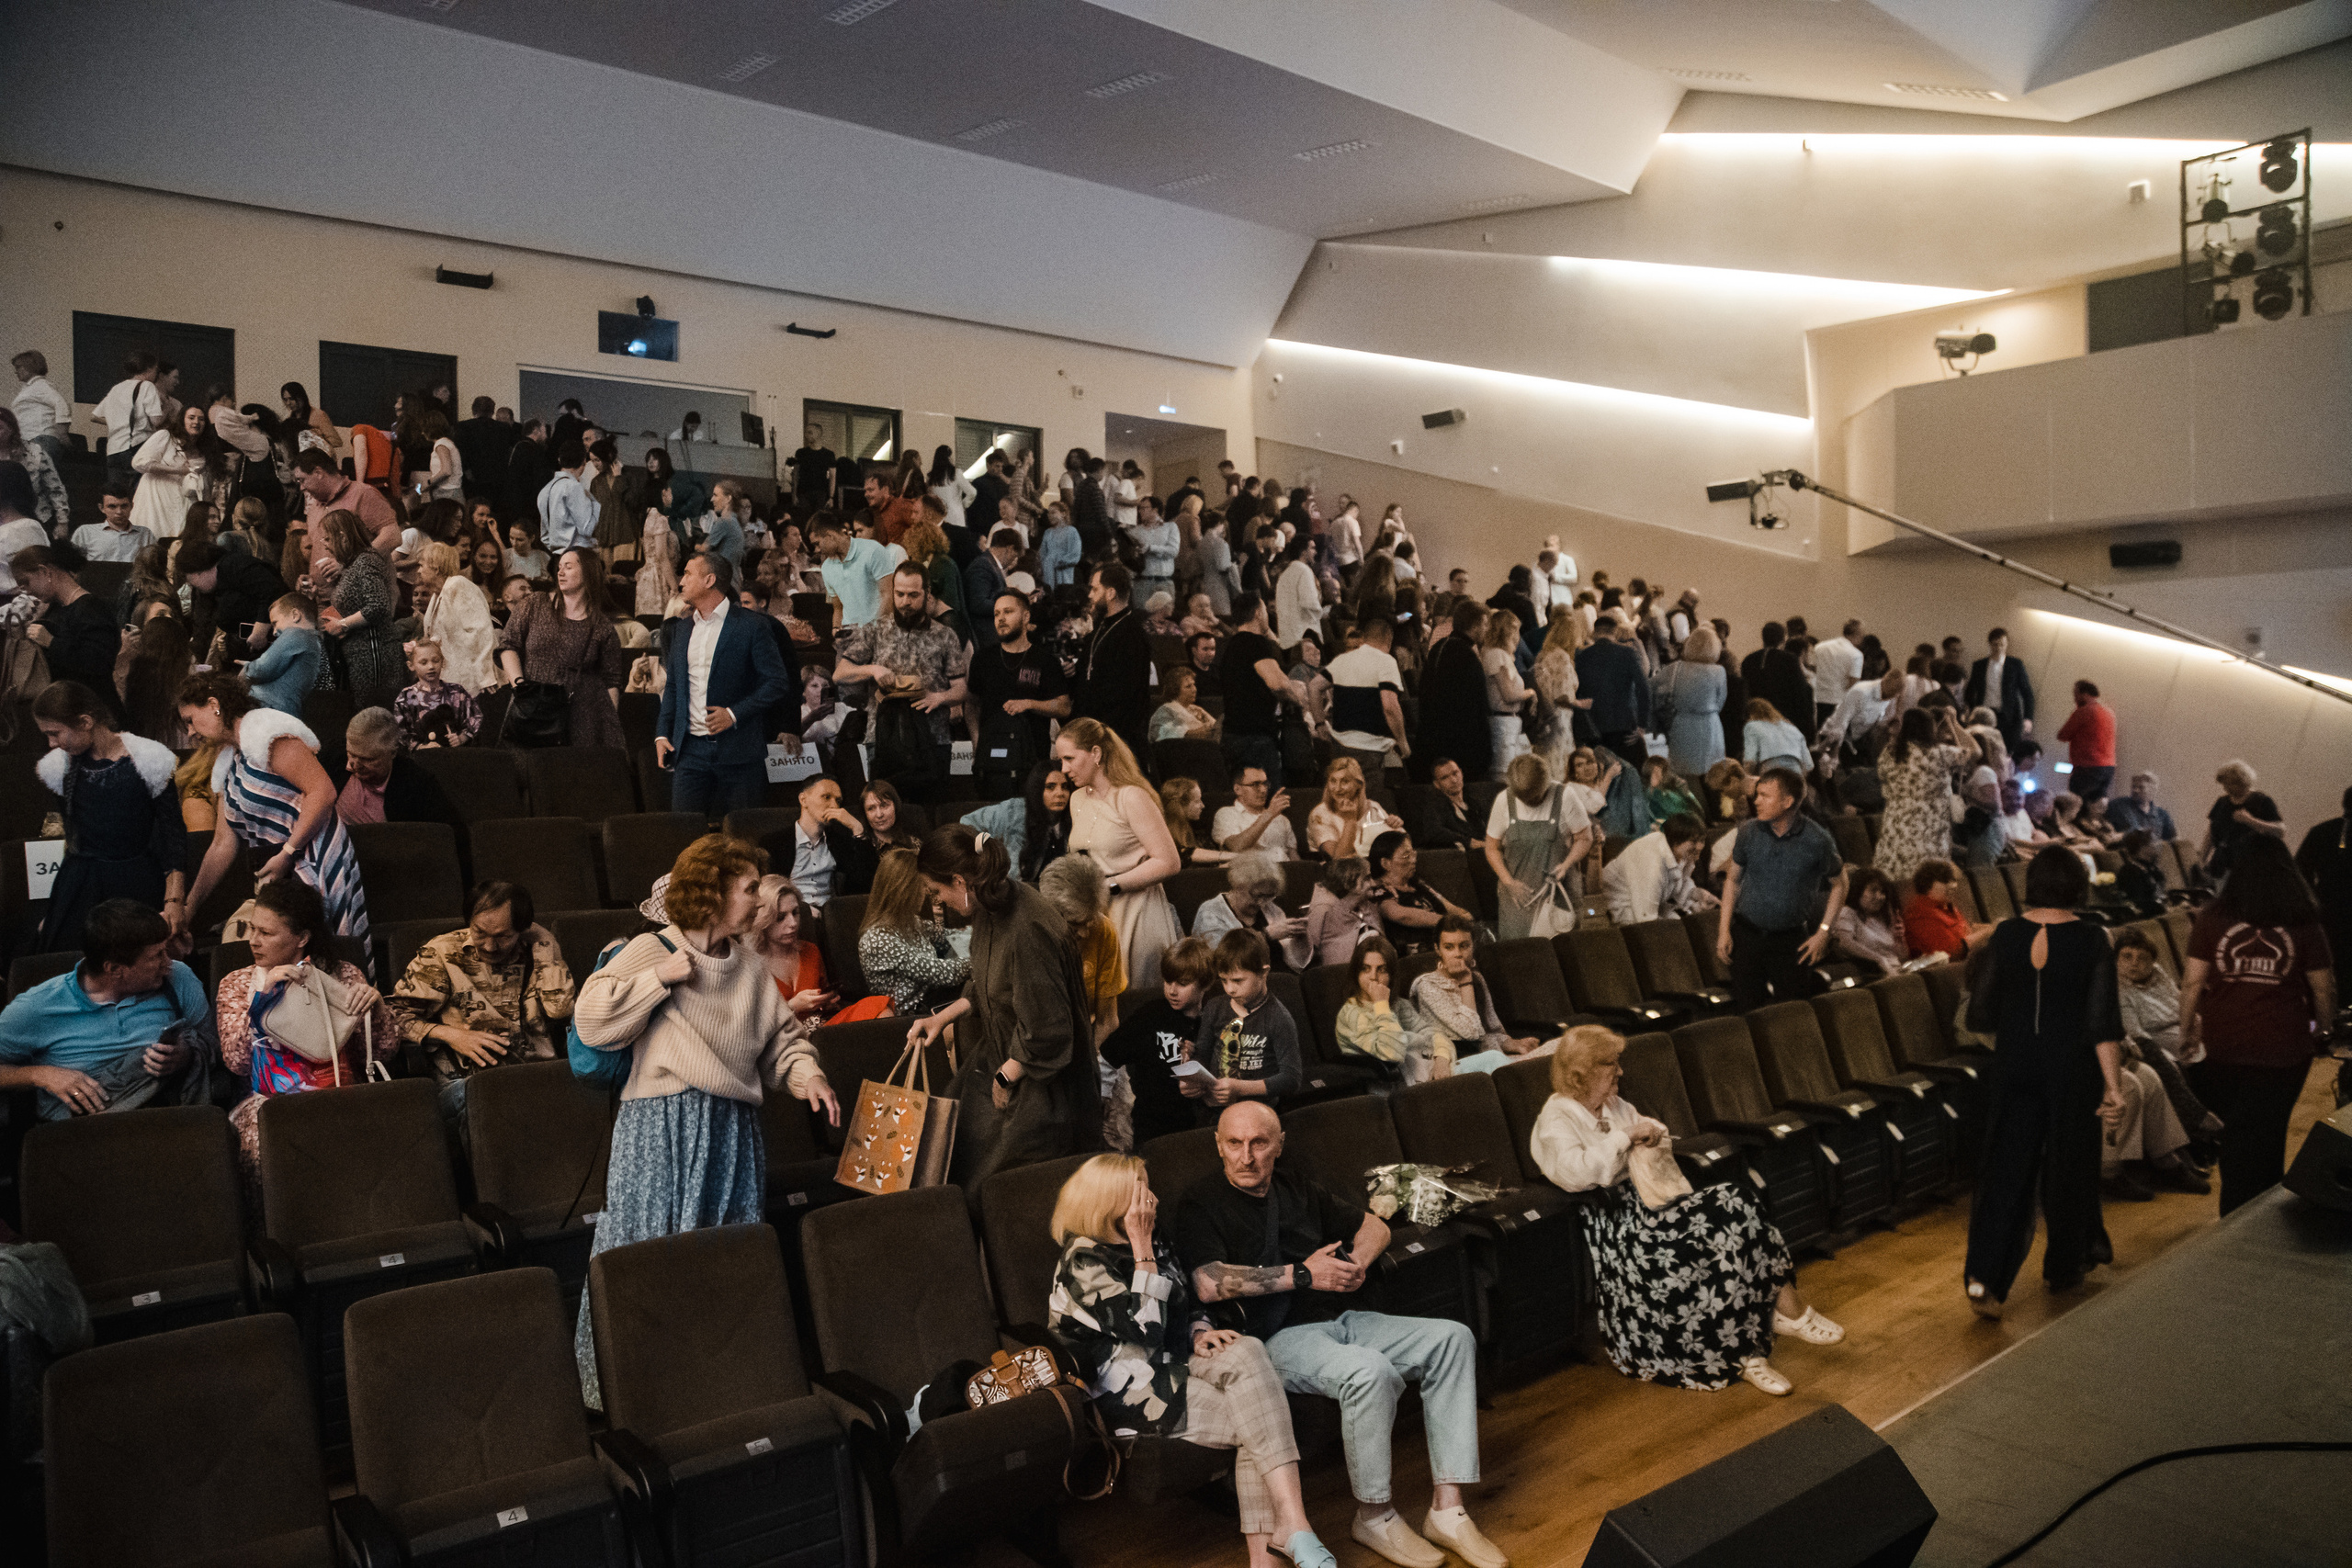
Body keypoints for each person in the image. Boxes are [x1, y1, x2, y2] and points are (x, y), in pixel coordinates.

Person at [1173, 1100, 1503, 1568]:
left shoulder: (1297, 1188)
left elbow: (1374, 1227)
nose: (1246, 1157)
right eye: (1234, 1143)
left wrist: (1354, 1265)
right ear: (1219, 1145)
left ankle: (1447, 1510)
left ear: (1279, 1145)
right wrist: (1303, 1275)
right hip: (1277, 1339)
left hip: (1342, 1319)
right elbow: (1208, 1280)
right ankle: (1375, 1516)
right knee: (1368, 1372)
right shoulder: (1199, 1202)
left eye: (1259, 1143)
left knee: (1452, 1338)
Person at [572, 833, 840, 1402]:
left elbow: (780, 1042)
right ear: (712, 895)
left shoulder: (746, 965)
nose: (761, 904)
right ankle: (632, 1389)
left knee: (723, 1257)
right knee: (646, 1252)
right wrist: (660, 979)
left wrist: (807, 1075)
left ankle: (709, 1381)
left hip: (731, 1131)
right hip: (660, 1129)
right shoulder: (653, 949)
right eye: (749, 890)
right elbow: (593, 1020)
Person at [1047, 1153, 1341, 1568]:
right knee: (1254, 1417)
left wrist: (1201, 1329)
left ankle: (1291, 1527)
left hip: (1178, 1360)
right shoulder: (1083, 1260)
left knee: (1249, 1350)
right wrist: (1142, 1245)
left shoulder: (1156, 1236)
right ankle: (1275, 1551)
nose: (1151, 1198)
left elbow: (1184, 1297)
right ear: (1109, 1199)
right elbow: (1145, 1329)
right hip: (1130, 1393)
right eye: (1139, 1189)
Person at [1530, 1026, 1841, 1395]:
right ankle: (1752, 1349)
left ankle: (1776, 1324)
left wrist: (1646, 1132)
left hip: (1653, 1200)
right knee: (1718, 1226)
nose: (1620, 1071)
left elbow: (1655, 1128)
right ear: (1583, 1071)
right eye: (1612, 1064)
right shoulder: (1557, 1117)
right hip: (1618, 1222)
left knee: (1736, 1202)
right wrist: (1625, 1138)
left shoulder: (1612, 1104)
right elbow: (1576, 1175)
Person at [1962, 849, 2132, 1314]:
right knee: (2069, 1166)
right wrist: (2114, 1087)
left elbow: (1980, 1014)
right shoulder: (2094, 939)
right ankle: (2064, 1267)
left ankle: (1985, 1281)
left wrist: (2020, 1031)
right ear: (2078, 886)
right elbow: (2102, 1022)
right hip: (2071, 1070)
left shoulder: (2006, 935)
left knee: (2005, 1169)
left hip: (2014, 1065)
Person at [911, 824, 1102, 1184]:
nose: (936, 901)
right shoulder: (989, 906)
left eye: (936, 891)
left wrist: (1004, 1075)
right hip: (1007, 1060)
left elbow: (1048, 1031)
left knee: (991, 1185)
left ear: (959, 882)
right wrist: (943, 1017)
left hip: (1042, 1085)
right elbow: (990, 984)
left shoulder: (1028, 929)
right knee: (948, 1152)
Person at [2180, 834, 2335, 1215]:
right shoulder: (2303, 921)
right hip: (2283, 1047)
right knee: (2268, 1134)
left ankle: (2233, 1212)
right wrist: (2323, 1031)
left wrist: (2186, 1032)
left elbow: (2192, 981)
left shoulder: (2214, 917)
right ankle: (2258, 1217)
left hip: (2223, 1044)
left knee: (2236, 1135)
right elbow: (2323, 988)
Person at [180, 671, 371, 963]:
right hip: (279, 870)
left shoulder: (266, 734)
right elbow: (222, 844)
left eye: (190, 720)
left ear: (213, 704)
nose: (189, 732)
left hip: (312, 859)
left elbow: (323, 792)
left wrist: (287, 852)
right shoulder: (229, 760)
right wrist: (189, 907)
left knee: (321, 966)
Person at [0, 899, 210, 1120]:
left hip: (164, 1114)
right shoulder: (38, 1006)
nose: (168, 963)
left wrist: (185, 1055)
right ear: (115, 969)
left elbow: (213, 1043)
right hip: (86, 1129)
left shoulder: (178, 977)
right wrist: (40, 1075)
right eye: (156, 956)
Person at [389, 880, 575, 1115]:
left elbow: (560, 1010)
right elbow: (393, 1018)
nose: (489, 946)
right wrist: (452, 1035)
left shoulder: (538, 951)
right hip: (465, 1084)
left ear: (522, 929)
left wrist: (548, 943)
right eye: (480, 932)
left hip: (535, 1076)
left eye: (503, 936)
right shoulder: (442, 953)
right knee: (488, 1102)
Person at [29, 681, 188, 953]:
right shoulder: (58, 767)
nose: (51, 743)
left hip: (135, 880)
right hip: (80, 881)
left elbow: (173, 834)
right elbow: (72, 835)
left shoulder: (150, 760)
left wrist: (174, 899)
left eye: (55, 733)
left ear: (85, 721)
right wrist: (58, 909)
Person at [647, 549, 791, 814]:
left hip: (740, 752)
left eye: (688, 573)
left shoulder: (753, 626)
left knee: (742, 840)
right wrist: (662, 733)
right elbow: (674, 687)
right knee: (685, 837)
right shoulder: (681, 629)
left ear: (709, 580)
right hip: (689, 751)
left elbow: (777, 682)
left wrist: (734, 714)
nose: (681, 581)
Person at [1060, 717, 1184, 987]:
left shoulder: (1131, 796)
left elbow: (1169, 862)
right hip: (1097, 912)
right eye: (1061, 760)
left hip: (1137, 910)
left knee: (1135, 996)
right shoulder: (1077, 799)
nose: (1064, 768)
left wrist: (1111, 886)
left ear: (1095, 753)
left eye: (1069, 758)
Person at [1716, 768, 1847, 1010]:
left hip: (1791, 940)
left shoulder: (1817, 840)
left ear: (1787, 802)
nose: (1756, 801)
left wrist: (1824, 931)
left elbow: (1840, 884)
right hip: (1746, 935)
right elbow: (1732, 880)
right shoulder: (1748, 832)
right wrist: (1724, 930)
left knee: (1793, 1012)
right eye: (1758, 794)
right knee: (1748, 1011)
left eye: (1765, 796)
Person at [832, 561, 966, 795]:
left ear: (927, 594)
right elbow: (840, 674)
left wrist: (940, 697)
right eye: (900, 594)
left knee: (932, 809)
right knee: (884, 809)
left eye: (913, 595)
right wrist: (872, 669)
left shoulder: (945, 635)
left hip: (933, 737)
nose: (906, 602)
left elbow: (961, 689)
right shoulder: (875, 630)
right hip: (883, 738)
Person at [497, 547, 629, 749]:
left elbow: (612, 681)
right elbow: (508, 644)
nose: (560, 572)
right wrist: (520, 688)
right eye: (559, 567)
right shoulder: (535, 604)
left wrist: (605, 728)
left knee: (567, 776)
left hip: (579, 715)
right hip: (530, 707)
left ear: (587, 572)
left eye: (568, 567)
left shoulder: (602, 627)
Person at [1101, 937, 1216, 1149]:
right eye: (1167, 981)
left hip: (1202, 1127)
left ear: (1206, 983)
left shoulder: (1215, 1019)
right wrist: (1102, 1101)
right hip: (1152, 1128)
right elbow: (1108, 1056)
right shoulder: (1150, 1015)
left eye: (1182, 984)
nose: (1172, 990)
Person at [1410, 917, 1544, 1076]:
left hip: (1481, 1056)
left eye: (1464, 946)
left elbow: (1491, 1030)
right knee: (1495, 1059)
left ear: (1473, 946)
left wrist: (1514, 1044)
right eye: (1449, 947)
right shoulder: (1427, 985)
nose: (1458, 954)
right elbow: (1470, 1033)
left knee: (1552, 1049)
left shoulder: (1477, 979)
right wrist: (1466, 983)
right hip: (1448, 1064)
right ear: (1438, 950)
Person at [968, 590, 1069, 798]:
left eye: (1008, 612)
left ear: (1026, 617)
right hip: (991, 762)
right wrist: (977, 740)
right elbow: (971, 704)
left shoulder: (1044, 660)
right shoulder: (983, 659)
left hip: (1033, 763)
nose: (1001, 619)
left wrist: (1030, 704)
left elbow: (1064, 706)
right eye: (996, 614)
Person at [1483, 753, 1591, 942]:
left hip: (1557, 897)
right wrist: (1509, 882)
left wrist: (1566, 865)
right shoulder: (1503, 801)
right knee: (1519, 955)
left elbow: (1584, 837)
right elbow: (1492, 848)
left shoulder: (1565, 796)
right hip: (1517, 900)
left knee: (1564, 953)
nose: (1530, 803)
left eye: (1535, 797)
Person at [1871, 706, 1979, 885]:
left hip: (1896, 827)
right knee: (1925, 884)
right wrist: (1954, 722)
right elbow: (1976, 751)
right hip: (1929, 831)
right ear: (1930, 729)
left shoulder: (1889, 754)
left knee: (1893, 881)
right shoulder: (1940, 755)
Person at [12, 541, 122, 706]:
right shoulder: (57, 608)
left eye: (26, 582)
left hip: (95, 710)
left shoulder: (90, 608)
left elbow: (100, 664)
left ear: (45, 572)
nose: (26, 591)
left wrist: (51, 642)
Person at [316, 510, 404, 709]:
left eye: (328, 538)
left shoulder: (366, 561)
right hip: (360, 652)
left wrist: (343, 624)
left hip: (374, 654)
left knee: (374, 712)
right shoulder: (353, 565)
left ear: (343, 538)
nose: (324, 544)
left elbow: (378, 605)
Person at [1216, 594, 1309, 784]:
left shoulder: (1231, 646)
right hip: (1255, 738)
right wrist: (1298, 698)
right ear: (1258, 613)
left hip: (1233, 736)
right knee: (1270, 799)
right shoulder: (1255, 642)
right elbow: (1277, 683)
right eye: (1265, 611)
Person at [1333, 936, 1446, 1084]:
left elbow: (1433, 1033)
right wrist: (1381, 1005)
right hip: (1390, 1086)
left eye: (1382, 970)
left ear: (1391, 976)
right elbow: (1392, 1054)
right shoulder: (1351, 1014)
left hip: (1424, 1072)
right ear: (1356, 973)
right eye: (1366, 969)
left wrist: (1442, 1058)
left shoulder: (1399, 1004)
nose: (1373, 977)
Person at [336, 707, 466, 833]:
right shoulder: (332, 759)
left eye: (368, 759)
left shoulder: (418, 783)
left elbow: (455, 833)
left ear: (393, 753)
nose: (356, 765)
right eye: (352, 755)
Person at [292, 449, 400, 592]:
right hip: (324, 600)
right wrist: (311, 578)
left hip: (363, 599)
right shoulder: (314, 509)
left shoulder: (362, 494)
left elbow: (393, 537)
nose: (301, 487)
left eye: (302, 480)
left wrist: (348, 564)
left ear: (318, 472)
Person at [1192, 851, 1313, 970]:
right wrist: (1266, 935)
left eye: (1269, 896)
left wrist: (1300, 939)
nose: (1262, 903)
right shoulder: (1211, 912)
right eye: (1257, 895)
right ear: (1238, 885)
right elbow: (1223, 960)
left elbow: (1295, 964)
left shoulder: (1271, 909)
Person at [783, 776, 879, 911]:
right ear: (803, 800)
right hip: (794, 914)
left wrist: (857, 828)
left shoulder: (839, 841)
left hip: (832, 914)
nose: (834, 806)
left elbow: (867, 883)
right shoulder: (776, 841)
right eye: (826, 797)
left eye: (838, 801)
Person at [413, 541, 497, 694]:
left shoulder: (458, 585)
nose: (419, 571)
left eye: (422, 565)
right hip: (448, 678)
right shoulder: (437, 594)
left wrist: (486, 676)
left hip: (471, 680)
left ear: (435, 567)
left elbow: (481, 630)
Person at [1601, 814, 1714, 927]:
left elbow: (1681, 883)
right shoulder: (1651, 861)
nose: (1699, 846)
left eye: (1702, 840)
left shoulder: (1681, 853)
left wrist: (1698, 894)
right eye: (1693, 841)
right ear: (1676, 841)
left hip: (1654, 907)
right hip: (1619, 910)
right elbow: (1645, 920)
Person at [1369, 832, 1470, 953]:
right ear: (1385, 863)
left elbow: (1446, 904)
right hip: (1417, 953)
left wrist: (1464, 916)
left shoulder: (1417, 882)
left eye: (1413, 853)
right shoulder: (1380, 890)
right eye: (1406, 856)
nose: (1413, 860)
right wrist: (1450, 923)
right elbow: (1400, 914)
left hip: (1446, 941)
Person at [1575, 615, 1652, 773]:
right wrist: (1642, 724)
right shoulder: (1627, 653)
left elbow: (1578, 691)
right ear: (1615, 632)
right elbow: (1643, 688)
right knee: (1631, 774)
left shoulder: (1582, 657)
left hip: (1594, 727)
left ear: (1594, 633)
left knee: (1601, 775)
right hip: (1624, 723)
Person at [239, 593, 324, 716]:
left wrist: (246, 670)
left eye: (275, 623)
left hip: (271, 710)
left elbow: (261, 669)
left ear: (295, 615)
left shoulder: (297, 634)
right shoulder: (314, 640)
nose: (274, 632)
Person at [2199, 759, 2285, 881]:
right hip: (2222, 864)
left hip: (2251, 867)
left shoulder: (2262, 801)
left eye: (2229, 784)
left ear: (2242, 782)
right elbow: (2211, 833)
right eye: (2224, 785)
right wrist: (2202, 858)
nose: (2226, 789)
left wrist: (2250, 820)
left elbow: (2280, 831)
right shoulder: (2222, 802)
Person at [1961, 626, 2035, 752]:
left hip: (2008, 716)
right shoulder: (1979, 665)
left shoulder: (2015, 665)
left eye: (2002, 644)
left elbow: (2027, 692)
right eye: (1995, 644)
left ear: (2006, 644)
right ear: (1990, 644)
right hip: (1985, 714)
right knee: (1982, 748)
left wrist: (2028, 718)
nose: (1999, 648)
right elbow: (1970, 690)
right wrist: (1968, 710)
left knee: (2005, 750)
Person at [1900, 860, 1990, 961]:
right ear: (1927, 883)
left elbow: (1966, 930)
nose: (1954, 886)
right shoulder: (1919, 912)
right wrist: (1989, 931)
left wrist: (1996, 927)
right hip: (1950, 970)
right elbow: (1954, 952)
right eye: (1946, 881)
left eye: (1954, 881)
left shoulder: (1946, 906)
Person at [1827, 867, 1911, 976]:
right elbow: (1845, 943)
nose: (1880, 897)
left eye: (1882, 891)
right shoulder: (1848, 913)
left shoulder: (1883, 917)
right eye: (1873, 890)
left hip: (1898, 971)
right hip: (1876, 974)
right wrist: (1879, 959)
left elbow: (1903, 957)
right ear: (1859, 891)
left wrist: (1900, 939)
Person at [1305, 859, 1385, 968]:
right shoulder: (1324, 911)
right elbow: (1307, 952)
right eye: (1367, 879)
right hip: (1338, 975)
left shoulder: (1368, 907)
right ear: (1349, 883)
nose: (1373, 883)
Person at [2053, 681, 2116, 803]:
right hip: (2108, 766)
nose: (2074, 698)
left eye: (2076, 694)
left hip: (2087, 766)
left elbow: (2063, 735)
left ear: (2084, 694)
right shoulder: (2109, 713)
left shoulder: (2084, 711)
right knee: (2096, 805)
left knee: (2076, 803)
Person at [12, 349, 74, 471]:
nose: (16, 371)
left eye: (19, 367)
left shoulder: (40, 386)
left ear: (31, 366)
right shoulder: (30, 388)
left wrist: (62, 433)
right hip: (30, 442)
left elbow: (61, 404)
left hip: (40, 440)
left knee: (37, 484)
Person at [536, 439, 601, 555]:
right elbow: (587, 528)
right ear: (584, 462)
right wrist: (595, 505)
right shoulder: (573, 487)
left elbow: (544, 536)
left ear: (559, 460)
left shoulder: (545, 490)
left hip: (555, 555)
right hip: (576, 555)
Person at [1162, 777, 1231, 868]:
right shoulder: (1165, 835)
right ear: (1181, 805)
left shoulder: (1197, 831)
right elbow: (1185, 854)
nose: (1203, 805)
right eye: (1197, 801)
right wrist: (1237, 857)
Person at [1740, 699, 1811, 778]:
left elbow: (1750, 760)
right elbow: (1809, 765)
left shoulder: (1752, 725)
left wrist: (1746, 779)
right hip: (1796, 770)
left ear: (1750, 715)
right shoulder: (1793, 728)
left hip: (1771, 770)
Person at [1152, 667, 1219, 743]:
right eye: (1188, 686)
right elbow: (1158, 733)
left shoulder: (1195, 708)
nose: (1194, 689)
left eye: (1194, 684)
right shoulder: (1165, 710)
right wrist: (1192, 734)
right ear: (1175, 690)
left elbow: (1216, 727)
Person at [2104, 771, 2176, 842]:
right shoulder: (2118, 806)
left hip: (2152, 851)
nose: (2136, 790)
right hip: (2126, 850)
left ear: (2152, 791)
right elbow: (2105, 828)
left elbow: (2173, 840)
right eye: (2134, 786)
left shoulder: (2161, 815)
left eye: (2141, 787)